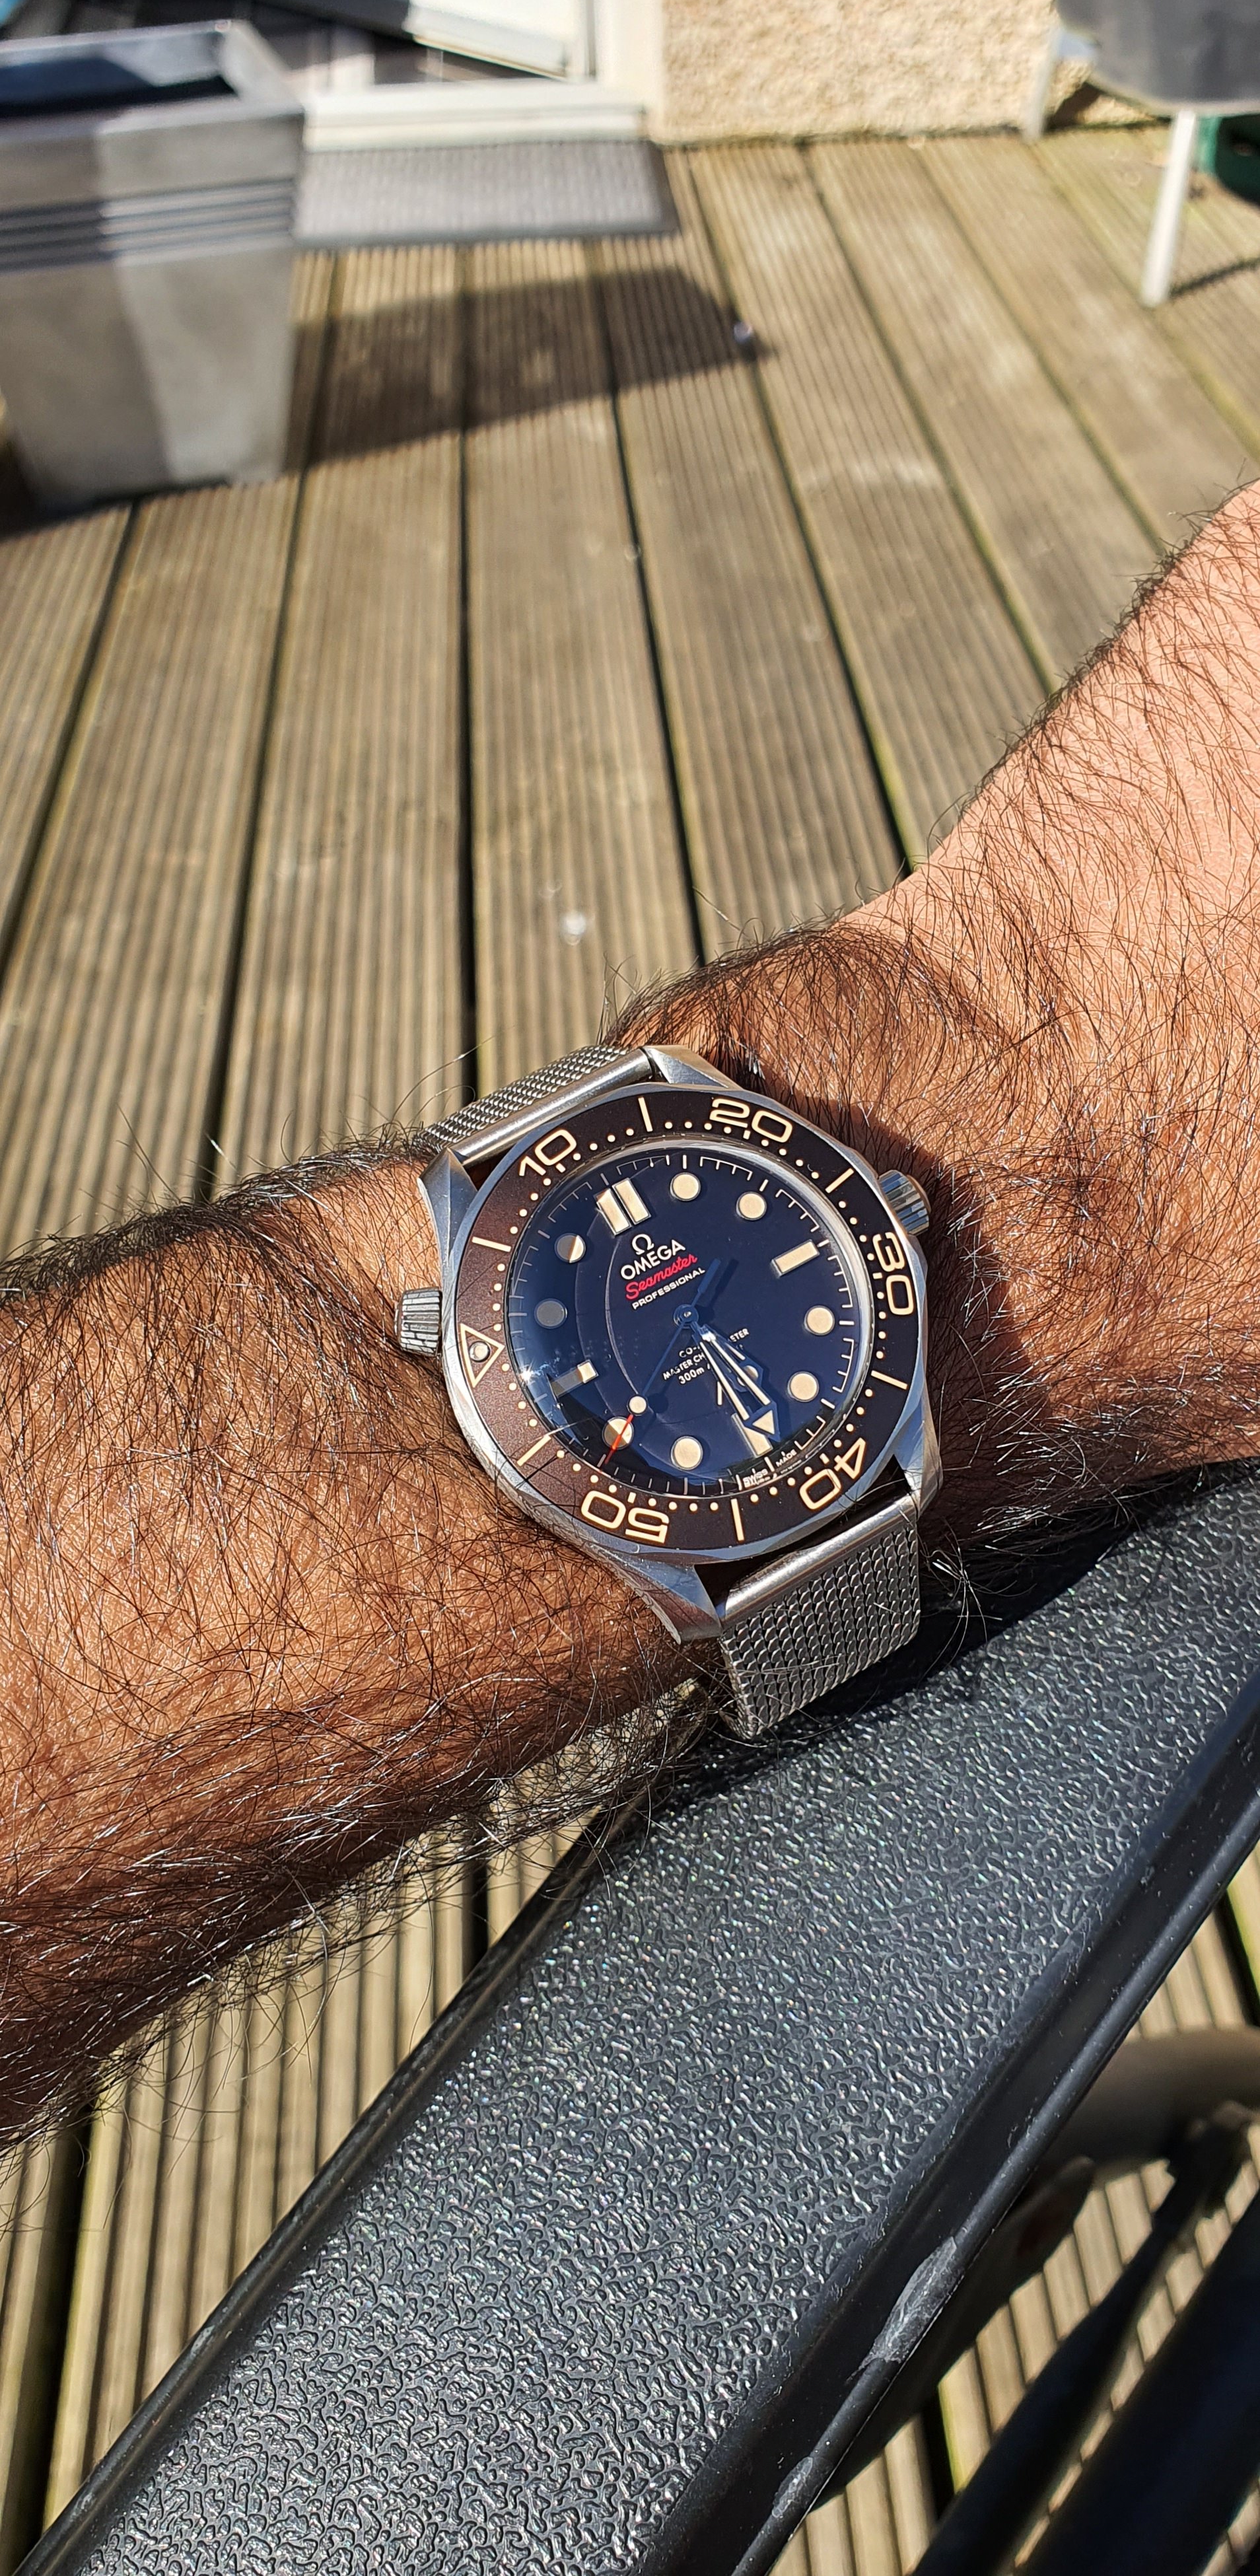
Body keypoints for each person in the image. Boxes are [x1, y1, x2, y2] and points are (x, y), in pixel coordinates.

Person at [5, 478, 1260, 2143]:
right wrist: (1056, 1165)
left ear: (885, 1219)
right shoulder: (486, 1366)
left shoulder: (807, 1241)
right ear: (440, 1340)